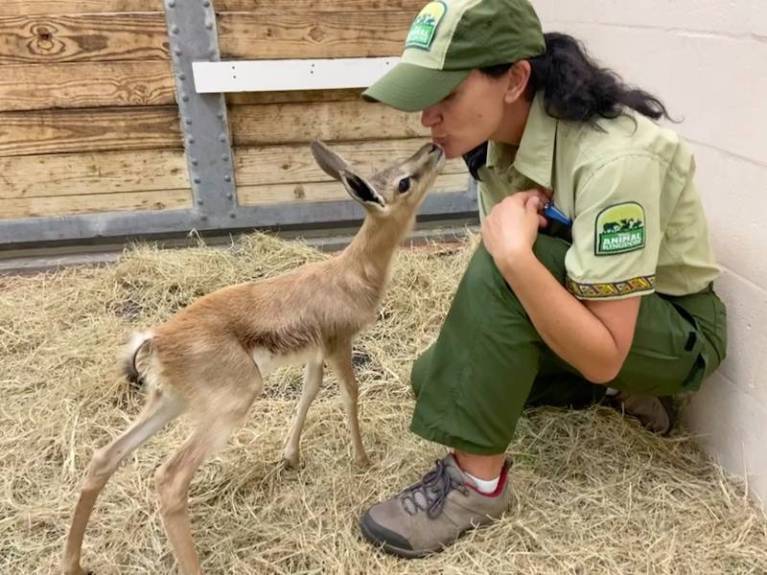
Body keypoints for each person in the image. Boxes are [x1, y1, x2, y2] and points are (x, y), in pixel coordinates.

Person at [356, 0, 728, 559]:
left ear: (515, 80)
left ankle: (475, 488)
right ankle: (598, 395)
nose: (426, 118)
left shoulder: (614, 160)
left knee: (504, 266)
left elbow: (602, 348)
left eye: (447, 95)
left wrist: (514, 259)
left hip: (673, 331)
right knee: (433, 381)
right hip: (585, 307)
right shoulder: (493, 144)